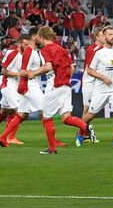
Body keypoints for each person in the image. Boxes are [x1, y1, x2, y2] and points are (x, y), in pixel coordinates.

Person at [28, 26, 92, 154]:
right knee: (66, 118)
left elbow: (48, 66)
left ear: (41, 37)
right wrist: (65, 79)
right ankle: (85, 128)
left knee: (46, 117)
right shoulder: (62, 49)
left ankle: (52, 149)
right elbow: (72, 68)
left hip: (55, 85)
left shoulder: (46, 49)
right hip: (66, 86)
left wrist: (33, 73)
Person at [83, 25, 113, 147]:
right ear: (104, 37)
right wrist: (103, 77)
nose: (112, 36)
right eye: (109, 34)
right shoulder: (97, 52)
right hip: (101, 89)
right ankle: (80, 133)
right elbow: (89, 70)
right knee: (90, 115)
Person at [0, 33, 43, 147]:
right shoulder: (29, 52)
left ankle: (3, 137)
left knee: (22, 114)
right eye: (40, 36)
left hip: (24, 84)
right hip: (29, 85)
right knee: (46, 110)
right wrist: (38, 71)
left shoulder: (35, 52)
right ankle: (53, 144)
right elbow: (21, 71)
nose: (41, 39)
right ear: (35, 37)